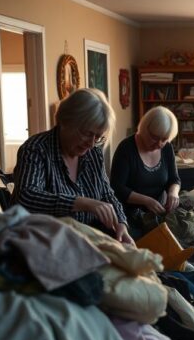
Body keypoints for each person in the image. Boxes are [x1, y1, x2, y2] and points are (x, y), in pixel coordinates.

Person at [11, 88, 132, 243]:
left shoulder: (94, 153)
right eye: (87, 133)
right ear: (66, 121)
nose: (91, 143)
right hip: (39, 241)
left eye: (98, 137)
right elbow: (26, 197)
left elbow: (106, 193)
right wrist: (81, 202)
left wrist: (121, 223)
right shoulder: (36, 149)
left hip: (82, 241)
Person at [110, 106, 181, 239]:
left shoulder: (167, 148)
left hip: (158, 214)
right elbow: (116, 188)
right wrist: (146, 201)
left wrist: (173, 193)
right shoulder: (126, 149)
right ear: (144, 128)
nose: (159, 144)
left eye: (164, 139)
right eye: (155, 137)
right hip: (128, 216)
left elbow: (174, 179)